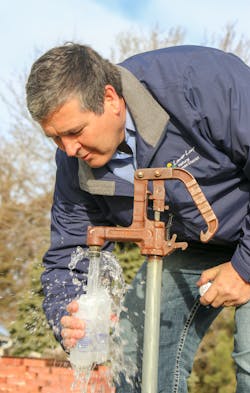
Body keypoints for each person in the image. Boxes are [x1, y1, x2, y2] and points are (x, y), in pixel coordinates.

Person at [26, 43, 250, 392]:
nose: (69, 149)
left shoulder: (198, 82)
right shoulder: (73, 162)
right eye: (55, 138)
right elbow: (67, 253)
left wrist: (243, 268)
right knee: (135, 358)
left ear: (111, 99)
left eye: (74, 132)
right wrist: (68, 316)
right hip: (188, 243)